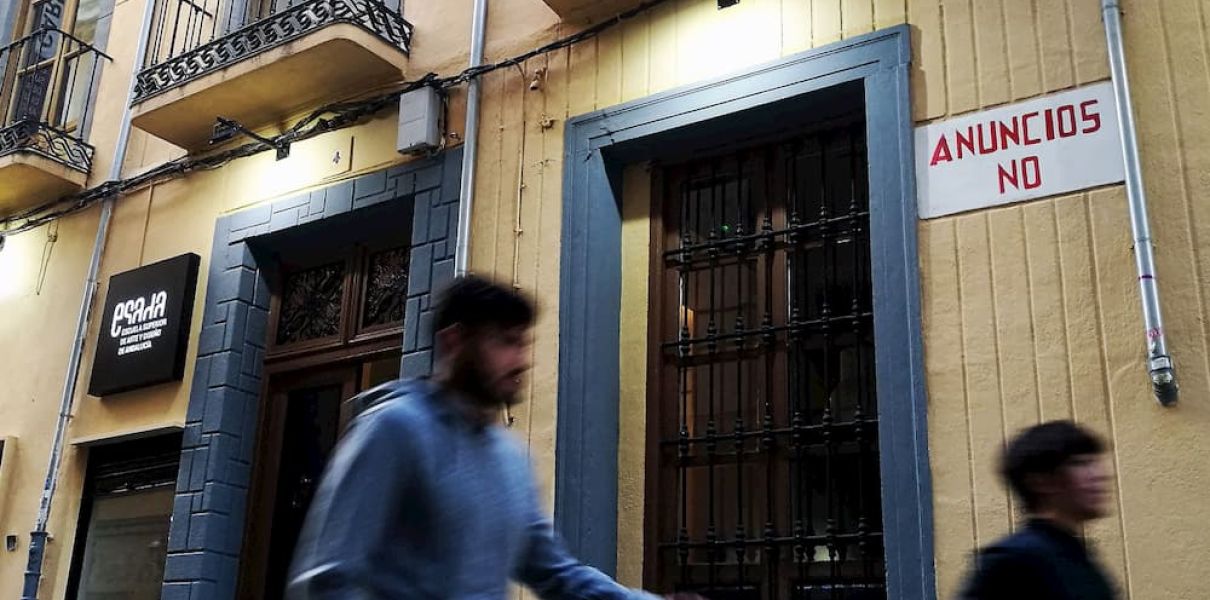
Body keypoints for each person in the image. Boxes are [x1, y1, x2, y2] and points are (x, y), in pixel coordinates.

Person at [287, 275, 689, 600]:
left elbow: (558, 574)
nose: (521, 361)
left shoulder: (509, 460)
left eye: (524, 343)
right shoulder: (393, 429)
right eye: (506, 342)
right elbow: (328, 579)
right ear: (454, 342)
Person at [959, 420, 1116, 600]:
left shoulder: (1078, 556)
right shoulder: (1013, 561)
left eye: (1095, 463)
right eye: (1080, 463)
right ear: (1040, 481)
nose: (1100, 475)